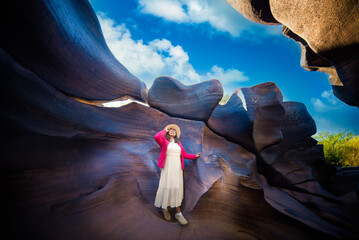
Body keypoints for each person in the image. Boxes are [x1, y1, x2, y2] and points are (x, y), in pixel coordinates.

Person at [154, 124, 201, 225]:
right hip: (167, 167)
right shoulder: (164, 141)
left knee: (176, 187)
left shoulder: (178, 143)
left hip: (177, 168)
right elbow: (156, 137)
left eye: (174, 130)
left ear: (176, 134)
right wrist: (164, 129)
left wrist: (194, 156)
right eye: (170, 129)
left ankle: (178, 213)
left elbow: (184, 154)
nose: (172, 131)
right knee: (167, 185)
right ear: (168, 131)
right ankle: (164, 208)